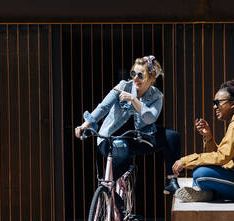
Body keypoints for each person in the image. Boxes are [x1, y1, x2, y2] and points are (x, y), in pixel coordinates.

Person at [75, 55, 181, 195]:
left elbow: (150, 118)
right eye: (133, 74)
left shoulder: (156, 96)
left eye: (140, 75)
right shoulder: (123, 86)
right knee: (122, 154)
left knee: (172, 136)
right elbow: (103, 108)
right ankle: (113, 198)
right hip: (111, 138)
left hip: (139, 138)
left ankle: (171, 181)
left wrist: (133, 99)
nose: (135, 78)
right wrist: (85, 124)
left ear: (151, 78)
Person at [171, 79, 234, 202]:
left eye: (218, 102)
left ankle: (206, 193)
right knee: (201, 171)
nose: (214, 106)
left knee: (200, 173)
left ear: (233, 104)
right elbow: (222, 159)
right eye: (214, 102)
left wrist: (185, 161)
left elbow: (221, 158)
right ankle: (205, 192)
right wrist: (208, 137)